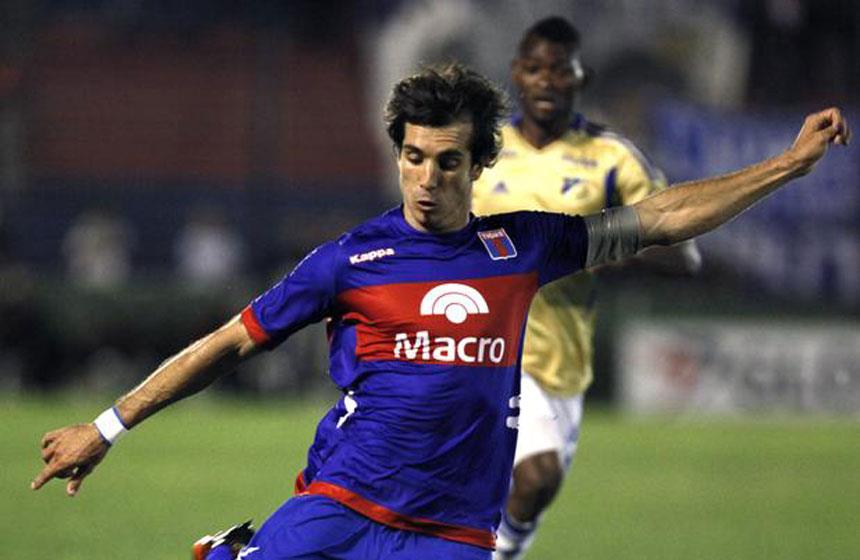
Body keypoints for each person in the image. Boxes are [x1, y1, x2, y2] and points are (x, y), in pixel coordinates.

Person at [31, 62, 848, 560]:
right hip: (340, 505)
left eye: (448, 161)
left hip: (454, 533)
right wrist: (106, 428)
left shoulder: (523, 246)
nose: (427, 179)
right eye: (413, 157)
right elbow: (229, 342)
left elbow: (661, 217)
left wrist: (787, 164)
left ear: (479, 162)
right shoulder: (350, 259)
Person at [470, 17, 700, 559]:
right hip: (475, 341)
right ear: (516, 74)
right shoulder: (481, 148)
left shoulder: (612, 158)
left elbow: (682, 252)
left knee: (535, 485)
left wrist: (603, 249)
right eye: (534, 68)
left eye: (559, 69)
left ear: (579, 77)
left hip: (556, 358)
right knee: (526, 474)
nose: (546, 80)